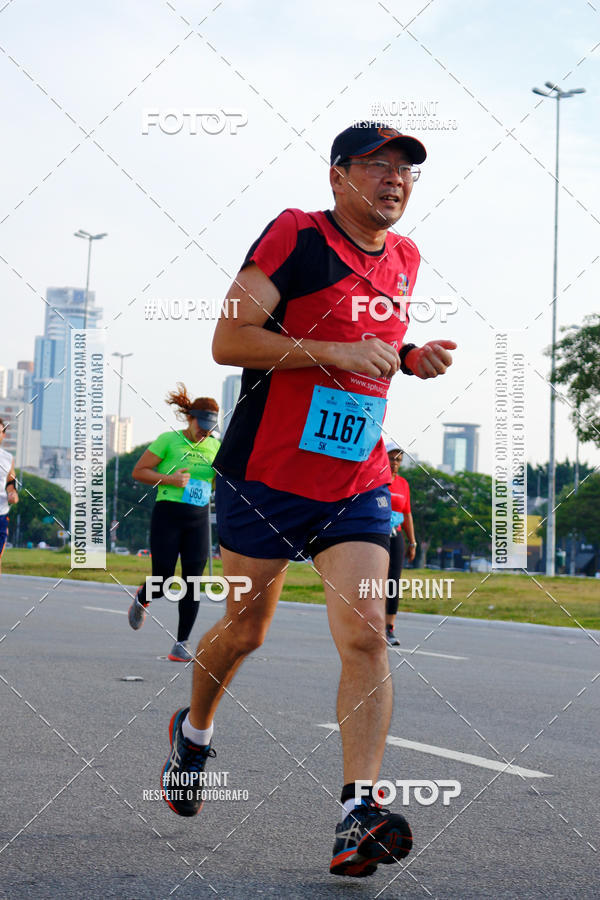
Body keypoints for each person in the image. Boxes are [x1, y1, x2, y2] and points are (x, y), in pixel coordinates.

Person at [161, 122, 457, 878]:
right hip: (264, 481)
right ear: (338, 176)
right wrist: (332, 352)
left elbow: (375, 340)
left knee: (365, 635)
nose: (395, 180)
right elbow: (229, 342)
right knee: (245, 630)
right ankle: (194, 735)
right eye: (377, 165)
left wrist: (411, 358)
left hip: (353, 485)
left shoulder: (406, 258)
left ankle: (357, 812)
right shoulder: (297, 235)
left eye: (406, 171)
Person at [127, 386, 220, 661]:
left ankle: (181, 643)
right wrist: (169, 479)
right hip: (168, 513)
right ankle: (144, 596)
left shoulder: (216, 445)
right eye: (201, 425)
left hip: (199, 517)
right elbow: (139, 471)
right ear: (190, 419)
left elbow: (220, 479)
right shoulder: (168, 440)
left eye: (210, 427)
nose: (205, 432)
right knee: (165, 576)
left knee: (192, 581)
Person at [384, 441, 417, 646]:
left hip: (396, 535)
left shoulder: (403, 484)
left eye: (398, 460)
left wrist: (412, 542)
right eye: (391, 458)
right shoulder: (376, 479)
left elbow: (407, 514)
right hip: (376, 533)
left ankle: (389, 628)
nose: (394, 463)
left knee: (393, 582)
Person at [0, 418, 19, 575]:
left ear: (3, 435)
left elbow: (10, 483)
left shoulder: (8, 458)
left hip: (1, 513)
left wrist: (13, 494)